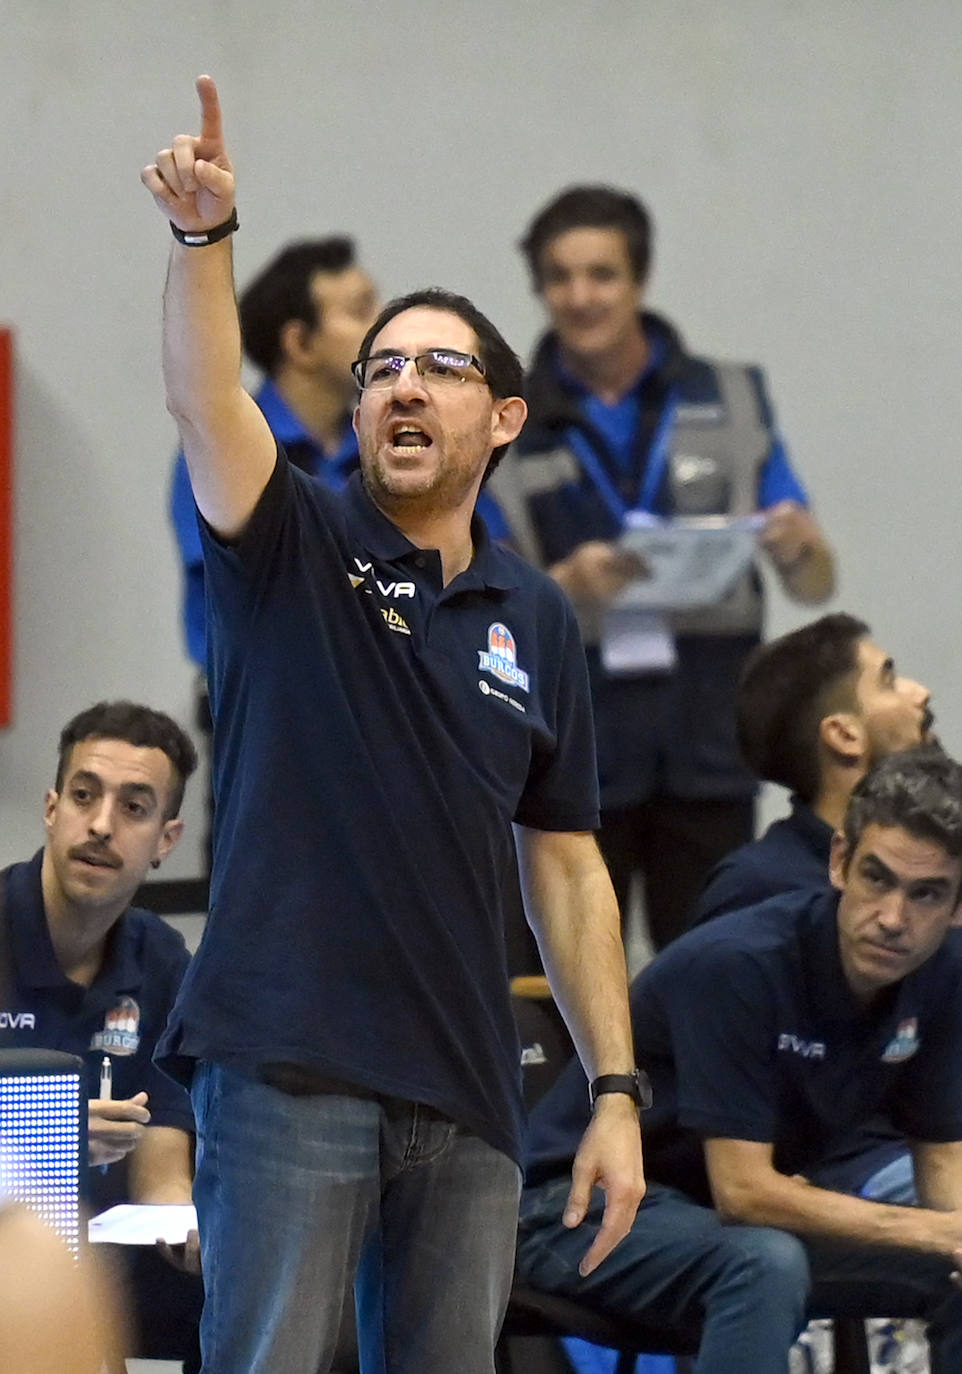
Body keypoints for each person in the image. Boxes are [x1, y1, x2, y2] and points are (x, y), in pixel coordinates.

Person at [141, 76, 645, 1374]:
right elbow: (206, 404)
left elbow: (567, 860)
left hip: (468, 1089)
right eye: (380, 369)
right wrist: (206, 243)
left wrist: (613, 1089)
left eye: (439, 366)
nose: (400, 386)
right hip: (289, 1064)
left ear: (504, 418)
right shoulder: (290, 536)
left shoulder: (531, 613)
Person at [520, 748, 962, 1374]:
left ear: (958, 906)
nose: (893, 918)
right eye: (877, 878)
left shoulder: (944, 975)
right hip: (572, 1209)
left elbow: (943, 1162)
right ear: (840, 862)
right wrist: (936, 1232)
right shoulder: (742, 963)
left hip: (719, 1227)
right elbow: (744, 1193)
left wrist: (955, 1237)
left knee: (950, 1273)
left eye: (926, 894)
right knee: (765, 1261)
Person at [490, 185, 836, 951]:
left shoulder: (732, 396)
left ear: (639, 281)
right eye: (560, 277)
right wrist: (562, 588)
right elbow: (481, 599)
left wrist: (801, 548)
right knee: (561, 983)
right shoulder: (502, 415)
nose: (580, 297)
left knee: (714, 967)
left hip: (708, 740)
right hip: (571, 754)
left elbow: (814, 583)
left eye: (602, 275)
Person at [0, 700, 202, 1371]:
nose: (102, 825)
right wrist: (46, 1139)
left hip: (109, 1278)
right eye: (85, 796)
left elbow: (164, 1151)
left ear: (167, 840)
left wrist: (181, 1220)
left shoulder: (163, 958)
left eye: (134, 808)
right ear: (53, 808)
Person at [693, 611, 934, 925]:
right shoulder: (758, 890)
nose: (920, 692)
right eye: (888, 681)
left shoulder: (937, 864)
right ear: (844, 735)